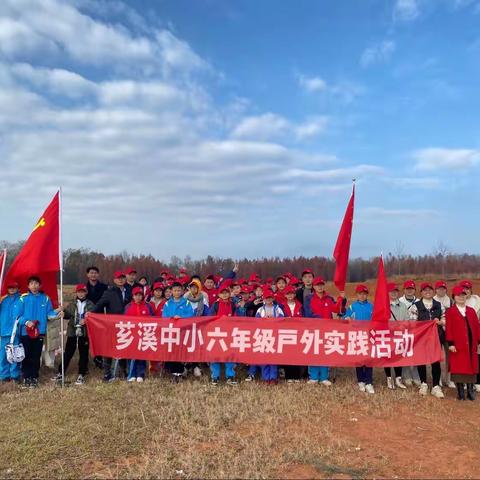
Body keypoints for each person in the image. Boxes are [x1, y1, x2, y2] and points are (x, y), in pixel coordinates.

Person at [17, 276, 62, 388]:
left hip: (39, 332)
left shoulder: (45, 299)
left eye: (36, 283)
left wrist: (58, 313)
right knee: (26, 355)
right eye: (31, 283)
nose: (34, 286)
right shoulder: (23, 298)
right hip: (25, 332)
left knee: (36, 356)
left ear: (40, 285)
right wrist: (27, 322)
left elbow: (49, 313)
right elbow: (17, 316)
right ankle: (27, 377)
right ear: (28, 286)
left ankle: (34, 377)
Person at [304, 277, 344, 386]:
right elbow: (308, 313)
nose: (320, 287)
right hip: (314, 329)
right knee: (314, 352)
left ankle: (324, 377)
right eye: (317, 285)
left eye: (321, 285)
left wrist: (341, 299)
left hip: (327, 330)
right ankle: (313, 377)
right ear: (314, 286)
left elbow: (336, 309)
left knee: (325, 352)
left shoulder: (329, 298)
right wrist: (321, 319)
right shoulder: (308, 298)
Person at [92, 271, 132, 382]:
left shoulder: (129, 292)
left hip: (126, 326)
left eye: (122, 278)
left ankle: (123, 371)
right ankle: (107, 373)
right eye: (118, 278)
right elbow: (100, 305)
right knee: (108, 349)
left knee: (125, 347)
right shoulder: (109, 292)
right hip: (112, 325)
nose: (120, 280)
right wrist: (90, 314)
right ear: (114, 280)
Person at [409, 282, 445, 398]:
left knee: (435, 361)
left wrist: (440, 322)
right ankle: (423, 383)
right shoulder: (416, 306)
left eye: (430, 290)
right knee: (421, 360)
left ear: (433, 292)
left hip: (436, 337)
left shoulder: (439, 305)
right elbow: (412, 322)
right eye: (425, 290)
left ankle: (435, 386)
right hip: (421, 338)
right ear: (421, 292)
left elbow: (445, 318)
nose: (427, 292)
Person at [53, 284, 94, 385]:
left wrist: (86, 319)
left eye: (83, 292)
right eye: (79, 292)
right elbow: (67, 314)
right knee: (68, 353)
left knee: (83, 353)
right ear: (76, 293)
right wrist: (63, 313)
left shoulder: (90, 304)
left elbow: (93, 316)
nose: (81, 294)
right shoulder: (72, 304)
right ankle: (61, 372)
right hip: (72, 331)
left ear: (86, 292)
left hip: (84, 332)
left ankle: (81, 374)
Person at [446, 285, 480, 401]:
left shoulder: (471, 311)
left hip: (471, 344)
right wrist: (450, 344)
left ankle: (470, 390)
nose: (461, 297)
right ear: (454, 297)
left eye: (463, 295)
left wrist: (478, 340)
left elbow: (477, 326)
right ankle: (460, 391)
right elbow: (449, 328)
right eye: (458, 295)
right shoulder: (450, 311)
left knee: (471, 367)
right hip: (458, 345)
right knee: (459, 367)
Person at [345, 284, 375, 394]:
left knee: (368, 360)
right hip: (357, 336)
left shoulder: (372, 307)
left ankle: (369, 382)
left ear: (367, 295)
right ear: (357, 295)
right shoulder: (352, 307)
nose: (362, 296)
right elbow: (345, 317)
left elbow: (377, 319)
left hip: (369, 336)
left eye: (364, 294)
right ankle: (361, 380)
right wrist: (346, 318)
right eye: (360, 294)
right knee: (358, 360)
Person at [162, 282, 194, 382]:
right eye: (175, 290)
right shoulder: (167, 303)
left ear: (182, 291)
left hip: (183, 332)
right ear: (171, 291)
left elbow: (191, 315)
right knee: (172, 352)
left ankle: (180, 372)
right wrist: (172, 318)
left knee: (180, 351)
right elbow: (164, 316)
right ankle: (173, 373)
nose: (177, 292)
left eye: (179, 290)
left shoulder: (187, 303)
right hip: (171, 332)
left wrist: (181, 318)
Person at [208, 285, 237, 385]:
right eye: (222, 293)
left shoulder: (233, 305)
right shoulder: (215, 305)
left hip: (229, 333)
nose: (224, 295)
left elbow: (236, 318)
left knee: (229, 355)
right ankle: (215, 377)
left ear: (229, 294)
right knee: (215, 355)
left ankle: (230, 376)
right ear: (219, 294)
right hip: (217, 333)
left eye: (226, 293)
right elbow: (210, 318)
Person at [255, 287, 284, 384]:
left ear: (273, 298)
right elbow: (256, 321)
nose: (268, 300)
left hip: (274, 335)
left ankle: (273, 377)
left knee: (273, 358)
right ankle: (266, 378)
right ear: (263, 299)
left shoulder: (278, 309)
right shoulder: (260, 310)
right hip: (263, 335)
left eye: (270, 298)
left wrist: (274, 320)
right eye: (267, 298)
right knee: (264, 358)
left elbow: (282, 319)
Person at [125, 287, 154, 383]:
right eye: (136, 295)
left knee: (141, 354)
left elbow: (153, 319)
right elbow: (123, 321)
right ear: (133, 296)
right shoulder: (128, 307)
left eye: (140, 295)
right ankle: (132, 373)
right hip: (131, 334)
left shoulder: (148, 306)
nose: (138, 297)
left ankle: (140, 374)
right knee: (131, 354)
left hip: (144, 334)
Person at [385, 283, 408, 389]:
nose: (394, 293)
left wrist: (402, 327)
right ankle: (389, 378)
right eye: (391, 291)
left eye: (395, 291)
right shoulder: (384, 306)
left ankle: (398, 378)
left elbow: (407, 320)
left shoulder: (403, 306)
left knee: (398, 355)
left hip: (400, 335)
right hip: (387, 335)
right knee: (387, 356)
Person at [434, 280, 455, 389]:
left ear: (446, 289)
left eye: (443, 288)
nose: (441, 290)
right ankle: (439, 379)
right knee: (438, 357)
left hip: (449, 332)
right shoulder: (432, 301)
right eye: (439, 288)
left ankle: (449, 379)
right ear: (436, 290)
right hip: (437, 333)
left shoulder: (451, 301)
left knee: (450, 357)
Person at [399, 280, 421, 386]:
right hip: (403, 331)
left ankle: (416, 375)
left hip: (416, 331)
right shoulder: (400, 301)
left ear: (415, 290)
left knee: (416, 353)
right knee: (405, 353)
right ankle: (406, 376)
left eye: (411, 289)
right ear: (404, 290)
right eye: (407, 289)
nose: (409, 291)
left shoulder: (419, 301)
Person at [0, 281, 22, 383]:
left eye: (14, 287)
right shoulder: (3, 300)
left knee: (14, 354)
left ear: (17, 288)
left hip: (15, 332)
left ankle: (15, 375)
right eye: (10, 288)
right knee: (3, 355)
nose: (12, 289)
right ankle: (4, 375)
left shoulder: (21, 300)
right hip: (4, 331)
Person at [281, 285, 303, 382]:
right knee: (287, 354)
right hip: (286, 333)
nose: (290, 295)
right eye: (288, 294)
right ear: (285, 295)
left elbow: (304, 318)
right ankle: (289, 376)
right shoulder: (281, 306)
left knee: (297, 354)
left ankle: (296, 376)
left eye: (292, 293)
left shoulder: (300, 305)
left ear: (294, 294)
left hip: (298, 333)